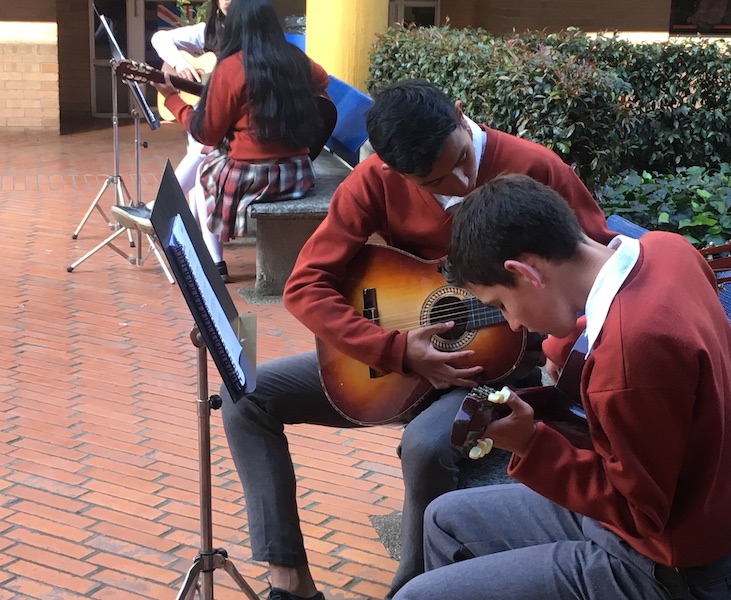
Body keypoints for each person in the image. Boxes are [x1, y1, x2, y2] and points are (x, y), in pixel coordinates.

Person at [220, 78, 616, 600]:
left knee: (427, 446)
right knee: (245, 394)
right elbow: (304, 286)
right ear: (393, 169)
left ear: (457, 111)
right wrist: (395, 349)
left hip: (490, 368)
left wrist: (554, 347)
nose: (460, 180)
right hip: (397, 364)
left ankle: (413, 589)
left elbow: (600, 278)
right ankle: (290, 582)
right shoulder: (375, 180)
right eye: (434, 181)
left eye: (457, 159)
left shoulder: (536, 168)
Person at [392, 173, 731, 600]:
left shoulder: (626, 359)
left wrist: (531, 445)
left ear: (525, 272)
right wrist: (572, 337)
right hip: (692, 511)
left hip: (663, 562)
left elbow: (640, 515)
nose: (511, 323)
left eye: (501, 304)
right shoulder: (667, 248)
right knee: (441, 519)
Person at [150, 0, 327, 282]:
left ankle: (215, 261)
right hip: (298, 174)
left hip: (253, 178)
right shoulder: (295, 58)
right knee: (209, 160)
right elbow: (323, 79)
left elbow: (205, 133)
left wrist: (171, 99)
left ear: (235, 26)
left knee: (203, 169)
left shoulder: (231, 68)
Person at [120, 0, 230, 275]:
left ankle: (158, 208)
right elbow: (160, 38)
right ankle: (216, 262)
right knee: (203, 159)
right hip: (212, 121)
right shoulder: (209, 31)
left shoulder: (251, 36)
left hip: (230, 127)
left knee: (203, 153)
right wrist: (181, 65)